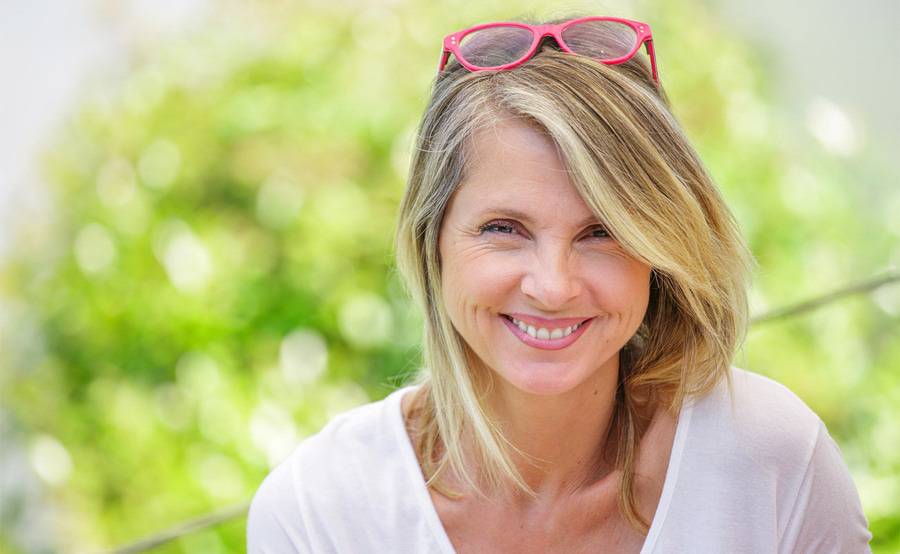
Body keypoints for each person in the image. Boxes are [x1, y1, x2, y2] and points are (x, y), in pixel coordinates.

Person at [247, 15, 872, 553]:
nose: (553, 285)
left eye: (602, 232)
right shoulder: (320, 512)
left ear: (659, 251)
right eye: (504, 228)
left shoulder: (772, 462)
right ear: (431, 241)